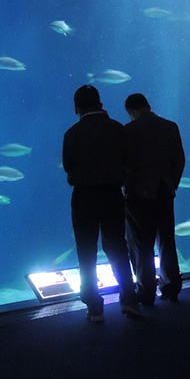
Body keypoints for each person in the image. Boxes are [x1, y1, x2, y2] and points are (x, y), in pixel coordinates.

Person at [62, 85, 141, 322]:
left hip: (83, 197)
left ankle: (93, 305)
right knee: (117, 246)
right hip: (112, 194)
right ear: (101, 104)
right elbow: (129, 162)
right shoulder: (118, 129)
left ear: (77, 108)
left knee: (86, 249)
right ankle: (128, 299)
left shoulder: (72, 133)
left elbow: (69, 166)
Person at [123, 93, 185, 304]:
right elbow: (180, 160)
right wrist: (171, 185)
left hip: (139, 194)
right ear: (148, 106)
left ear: (131, 111)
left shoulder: (130, 130)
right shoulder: (170, 126)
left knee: (141, 244)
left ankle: (146, 291)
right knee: (167, 240)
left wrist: (128, 189)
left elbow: (127, 164)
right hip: (165, 190)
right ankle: (171, 288)